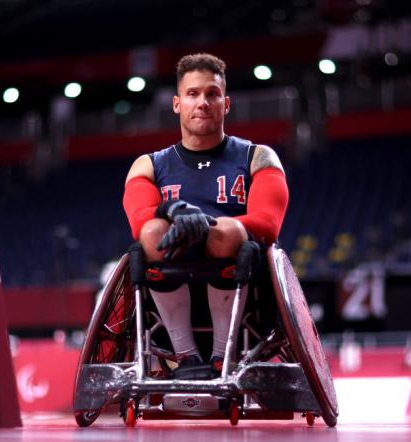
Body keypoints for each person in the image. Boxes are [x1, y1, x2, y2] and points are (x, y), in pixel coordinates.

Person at [122, 53, 289, 379]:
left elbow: (268, 225)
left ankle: (219, 357)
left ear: (226, 104)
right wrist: (172, 209)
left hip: (245, 282)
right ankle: (186, 356)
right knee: (153, 234)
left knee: (227, 233)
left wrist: (207, 224)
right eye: (193, 94)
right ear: (176, 104)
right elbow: (139, 221)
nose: (203, 103)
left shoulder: (259, 156)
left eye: (212, 94)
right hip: (169, 276)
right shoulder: (149, 164)